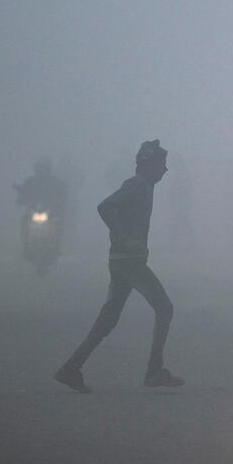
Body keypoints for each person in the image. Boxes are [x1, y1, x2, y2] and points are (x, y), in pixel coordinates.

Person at [54, 140, 184, 393]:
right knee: (164, 308)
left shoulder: (144, 186)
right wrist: (124, 237)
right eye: (162, 165)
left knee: (108, 320)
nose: (165, 171)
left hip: (123, 262)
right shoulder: (137, 185)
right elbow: (105, 207)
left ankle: (70, 368)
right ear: (150, 165)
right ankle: (154, 371)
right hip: (129, 262)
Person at [14, 157, 67, 253]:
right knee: (24, 222)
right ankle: (25, 246)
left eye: (44, 168)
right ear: (36, 169)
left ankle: (57, 244)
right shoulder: (30, 182)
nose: (42, 171)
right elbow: (23, 196)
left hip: (51, 212)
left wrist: (59, 204)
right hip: (32, 212)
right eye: (40, 168)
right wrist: (21, 200)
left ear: (48, 169)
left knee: (59, 223)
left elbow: (62, 195)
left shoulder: (56, 183)